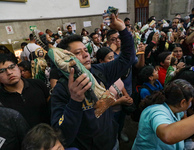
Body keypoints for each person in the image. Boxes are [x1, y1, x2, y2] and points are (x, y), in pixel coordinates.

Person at [51, 14, 135, 149]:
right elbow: (61, 134)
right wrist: (74, 101)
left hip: (111, 142)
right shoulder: (61, 89)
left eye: (86, 50)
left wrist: (123, 31)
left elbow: (127, 59)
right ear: (65, 59)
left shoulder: (98, 71)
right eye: (78, 53)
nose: (86, 55)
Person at [132, 79, 194, 150]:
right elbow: (167, 136)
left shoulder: (176, 110)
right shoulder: (156, 112)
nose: (190, 104)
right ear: (182, 102)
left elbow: (184, 119)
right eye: (190, 101)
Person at [0, 53, 50, 128]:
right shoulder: (1, 100)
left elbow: (52, 108)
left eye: (11, 67)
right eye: (2, 71)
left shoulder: (38, 84)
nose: (9, 73)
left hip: (49, 135)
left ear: (17, 67)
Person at [96, 47, 133, 142]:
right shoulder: (98, 79)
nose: (113, 60)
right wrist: (120, 101)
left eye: (113, 57)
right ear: (101, 61)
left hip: (121, 109)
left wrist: (126, 96)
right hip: (110, 113)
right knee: (111, 131)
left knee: (120, 124)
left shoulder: (113, 71)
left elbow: (121, 85)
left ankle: (120, 133)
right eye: (109, 58)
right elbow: (100, 103)